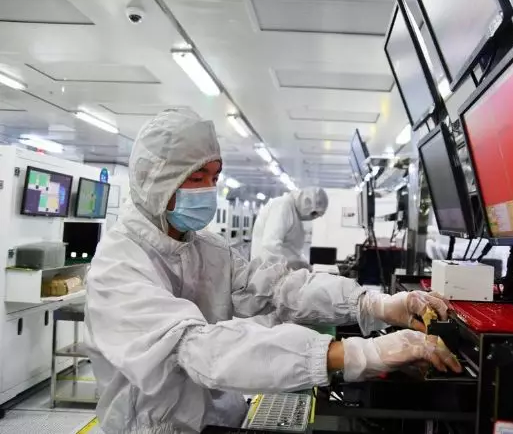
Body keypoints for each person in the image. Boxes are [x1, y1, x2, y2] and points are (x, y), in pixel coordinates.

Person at [84, 108, 461, 434]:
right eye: (197, 178)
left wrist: (375, 304)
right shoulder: (119, 266)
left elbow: (278, 286)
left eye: (214, 177)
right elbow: (201, 349)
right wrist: (356, 353)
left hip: (218, 417)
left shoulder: (206, 247)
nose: (209, 190)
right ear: (154, 181)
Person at [250, 187, 328, 268]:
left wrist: (304, 264)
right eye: (313, 213)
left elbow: (294, 250)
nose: (312, 218)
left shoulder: (295, 214)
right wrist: (291, 265)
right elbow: (270, 246)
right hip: (268, 269)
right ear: (306, 202)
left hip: (280, 270)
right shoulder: (283, 205)